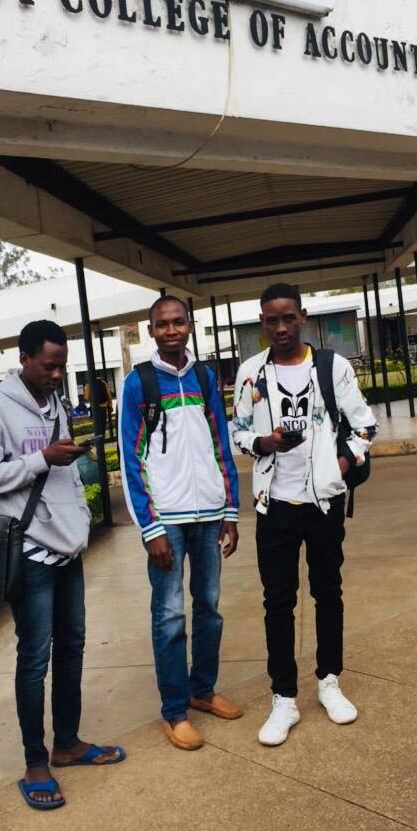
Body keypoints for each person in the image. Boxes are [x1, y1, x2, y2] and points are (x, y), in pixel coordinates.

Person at [0, 320, 125, 811]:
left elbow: (60, 473)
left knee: (73, 648)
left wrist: (77, 511)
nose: (57, 375)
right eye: (49, 366)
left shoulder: (55, 403)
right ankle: (36, 762)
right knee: (35, 658)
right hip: (31, 554)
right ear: (24, 358)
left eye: (62, 366)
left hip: (67, 551)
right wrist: (41, 459)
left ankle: (68, 743)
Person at [233, 284, 377, 746]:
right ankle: (284, 698)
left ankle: (329, 681)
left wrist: (340, 466)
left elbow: (365, 426)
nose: (280, 327)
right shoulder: (251, 373)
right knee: (278, 602)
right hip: (274, 505)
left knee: (327, 592)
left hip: (322, 504)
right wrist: (265, 443)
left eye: (288, 318)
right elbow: (237, 431)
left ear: (302, 317)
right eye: (271, 320)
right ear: (263, 322)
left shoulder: (332, 367)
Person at [119, 296, 242, 751]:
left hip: (209, 514)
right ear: (151, 331)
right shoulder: (139, 383)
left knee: (209, 605)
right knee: (169, 614)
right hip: (166, 519)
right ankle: (174, 711)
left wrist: (230, 509)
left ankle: (202, 690)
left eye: (178, 322)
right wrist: (149, 528)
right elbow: (131, 458)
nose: (171, 330)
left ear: (189, 326)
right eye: (161, 324)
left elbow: (220, 444)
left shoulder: (205, 377)